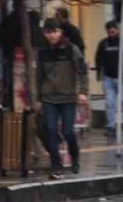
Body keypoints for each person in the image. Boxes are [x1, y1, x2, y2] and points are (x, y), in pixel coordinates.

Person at [36, 19, 88, 178]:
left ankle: (75, 158)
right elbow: (39, 76)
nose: (51, 35)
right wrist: (39, 98)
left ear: (61, 32)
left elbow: (82, 70)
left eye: (55, 31)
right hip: (49, 98)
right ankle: (56, 165)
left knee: (68, 132)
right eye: (48, 32)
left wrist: (83, 91)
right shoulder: (43, 51)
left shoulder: (72, 49)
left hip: (68, 97)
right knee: (50, 131)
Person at [94, 20, 123, 135]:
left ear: (118, 30)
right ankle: (111, 126)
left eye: (113, 31)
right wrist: (99, 73)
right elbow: (98, 59)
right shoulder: (104, 43)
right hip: (108, 77)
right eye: (109, 32)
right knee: (110, 103)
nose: (111, 34)